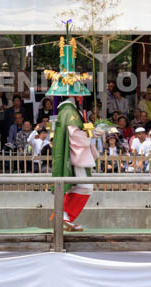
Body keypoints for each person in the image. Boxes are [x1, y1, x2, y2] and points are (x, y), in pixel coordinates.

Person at [47, 26, 95, 231]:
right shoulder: (71, 112)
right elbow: (75, 136)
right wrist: (90, 137)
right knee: (85, 186)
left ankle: (64, 216)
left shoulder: (65, 110)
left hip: (71, 154)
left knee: (78, 186)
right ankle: (63, 215)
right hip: (75, 156)